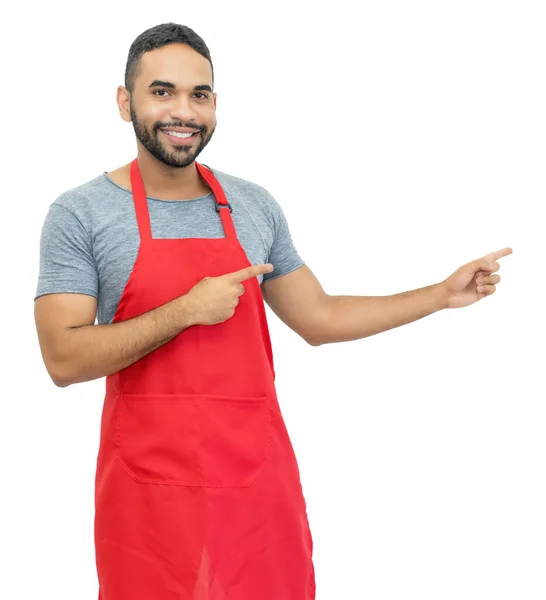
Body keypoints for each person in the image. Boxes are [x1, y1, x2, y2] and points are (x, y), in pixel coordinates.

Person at [33, 22, 512, 600]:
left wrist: (440, 294)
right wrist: (185, 310)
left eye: (199, 94)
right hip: (146, 490)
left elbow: (318, 317)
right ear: (124, 101)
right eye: (162, 92)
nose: (182, 110)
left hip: (255, 482)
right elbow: (63, 357)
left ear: (214, 105)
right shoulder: (81, 213)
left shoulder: (254, 206)